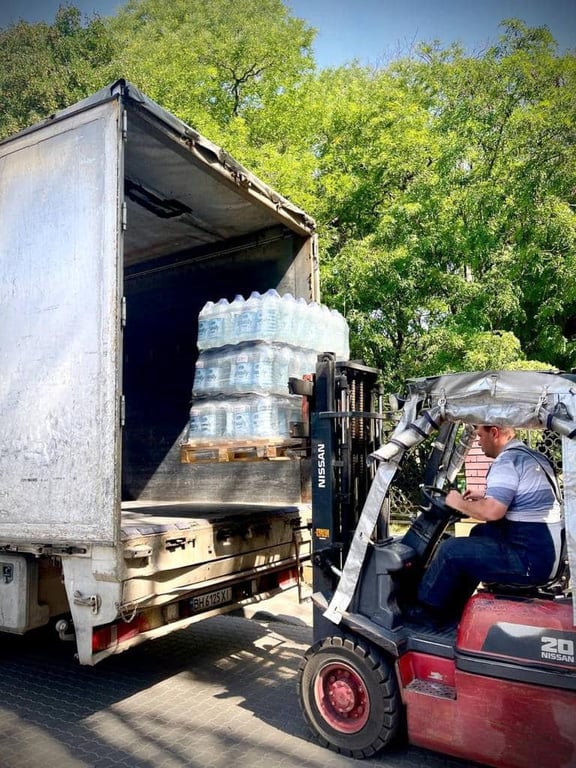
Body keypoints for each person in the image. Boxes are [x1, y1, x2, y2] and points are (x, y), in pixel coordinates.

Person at [410, 424, 564, 627]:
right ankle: (455, 609)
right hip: (542, 554)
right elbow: (518, 499)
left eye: (480, 435)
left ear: (494, 433)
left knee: (450, 550)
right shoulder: (530, 457)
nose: (478, 440)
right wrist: (482, 496)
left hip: (528, 560)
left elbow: (492, 512)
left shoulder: (507, 461)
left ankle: (424, 614)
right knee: (479, 532)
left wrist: (458, 503)